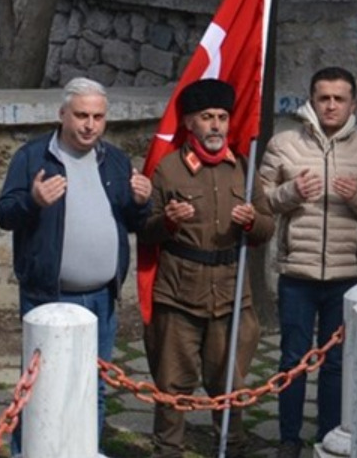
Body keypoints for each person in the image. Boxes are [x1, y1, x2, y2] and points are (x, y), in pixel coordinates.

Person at [0, 77, 151, 444]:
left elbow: (131, 220)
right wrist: (32, 200)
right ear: (62, 114)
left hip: (102, 297)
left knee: (91, 386)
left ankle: (83, 448)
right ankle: (28, 452)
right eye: (81, 115)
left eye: (98, 117)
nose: (89, 125)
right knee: (39, 386)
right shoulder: (33, 157)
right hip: (49, 295)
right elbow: (4, 215)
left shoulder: (114, 159)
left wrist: (143, 202)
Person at [138, 78, 275, 458]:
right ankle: (167, 450)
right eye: (206, 118)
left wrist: (252, 221)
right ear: (189, 123)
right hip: (179, 295)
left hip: (231, 297)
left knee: (229, 384)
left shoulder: (243, 168)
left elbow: (268, 226)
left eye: (222, 117)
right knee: (172, 385)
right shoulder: (167, 170)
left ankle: (230, 448)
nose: (216, 125)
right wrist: (166, 221)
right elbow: (144, 231)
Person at [258, 66, 357, 458]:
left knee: (337, 363)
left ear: (353, 103)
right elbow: (262, 200)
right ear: (311, 100)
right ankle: (288, 438)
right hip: (297, 271)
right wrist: (290, 192)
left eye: (339, 98)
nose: (331, 105)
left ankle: (330, 436)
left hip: (345, 275)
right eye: (323, 98)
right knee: (292, 358)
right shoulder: (283, 143)